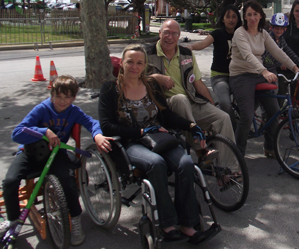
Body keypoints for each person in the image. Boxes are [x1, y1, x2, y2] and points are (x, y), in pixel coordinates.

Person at [98, 44, 216, 244]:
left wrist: (191, 125)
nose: (134, 67)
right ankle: (167, 223)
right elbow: (107, 126)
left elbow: (167, 115)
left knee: (187, 164)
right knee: (156, 164)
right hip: (132, 142)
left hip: (159, 139)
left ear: (145, 66)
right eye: (130, 62)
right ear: (122, 63)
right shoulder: (110, 89)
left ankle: (187, 223)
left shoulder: (151, 87)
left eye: (139, 63)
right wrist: (142, 131)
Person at [2, 75, 112, 246]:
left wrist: (97, 135)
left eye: (68, 97)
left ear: (74, 97)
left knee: (68, 181)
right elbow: (17, 133)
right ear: (52, 94)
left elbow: (92, 122)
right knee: (9, 181)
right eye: (58, 96)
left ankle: (75, 220)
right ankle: (13, 221)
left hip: (55, 154)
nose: (62, 101)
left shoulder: (74, 111)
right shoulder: (42, 109)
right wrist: (44, 132)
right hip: (30, 152)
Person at [146, 19, 236, 153]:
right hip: (164, 106)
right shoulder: (147, 54)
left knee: (223, 117)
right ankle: (201, 150)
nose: (170, 37)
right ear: (159, 33)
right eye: (166, 33)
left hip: (191, 101)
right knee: (180, 99)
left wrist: (211, 105)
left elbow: (198, 84)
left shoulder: (186, 54)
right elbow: (134, 79)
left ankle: (229, 168)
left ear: (179, 35)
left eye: (174, 34)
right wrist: (155, 77)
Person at [229, 0, 299, 157]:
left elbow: (278, 52)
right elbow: (248, 55)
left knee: (274, 111)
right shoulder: (240, 33)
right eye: (249, 14)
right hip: (241, 76)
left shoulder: (263, 33)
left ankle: (269, 147)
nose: (252, 18)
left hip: (258, 74)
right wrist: (264, 71)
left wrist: (295, 67)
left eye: (255, 14)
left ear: (261, 16)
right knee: (247, 116)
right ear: (244, 17)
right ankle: (238, 154)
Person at [184, 5, 242, 129]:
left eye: (234, 17)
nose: (231, 20)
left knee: (248, 102)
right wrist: (191, 47)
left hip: (238, 76)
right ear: (223, 19)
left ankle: (245, 125)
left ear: (238, 19)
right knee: (225, 104)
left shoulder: (241, 33)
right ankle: (234, 129)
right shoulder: (218, 33)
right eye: (228, 17)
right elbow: (203, 43)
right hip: (219, 77)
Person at [262, 13, 299, 106]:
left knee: (282, 90)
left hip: (274, 70)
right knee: (273, 91)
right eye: (277, 28)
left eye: (282, 28)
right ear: (271, 27)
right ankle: (267, 113)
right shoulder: (269, 38)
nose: (279, 30)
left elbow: (289, 52)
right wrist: (280, 63)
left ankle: (278, 110)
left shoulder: (281, 40)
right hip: (266, 70)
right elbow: (269, 56)